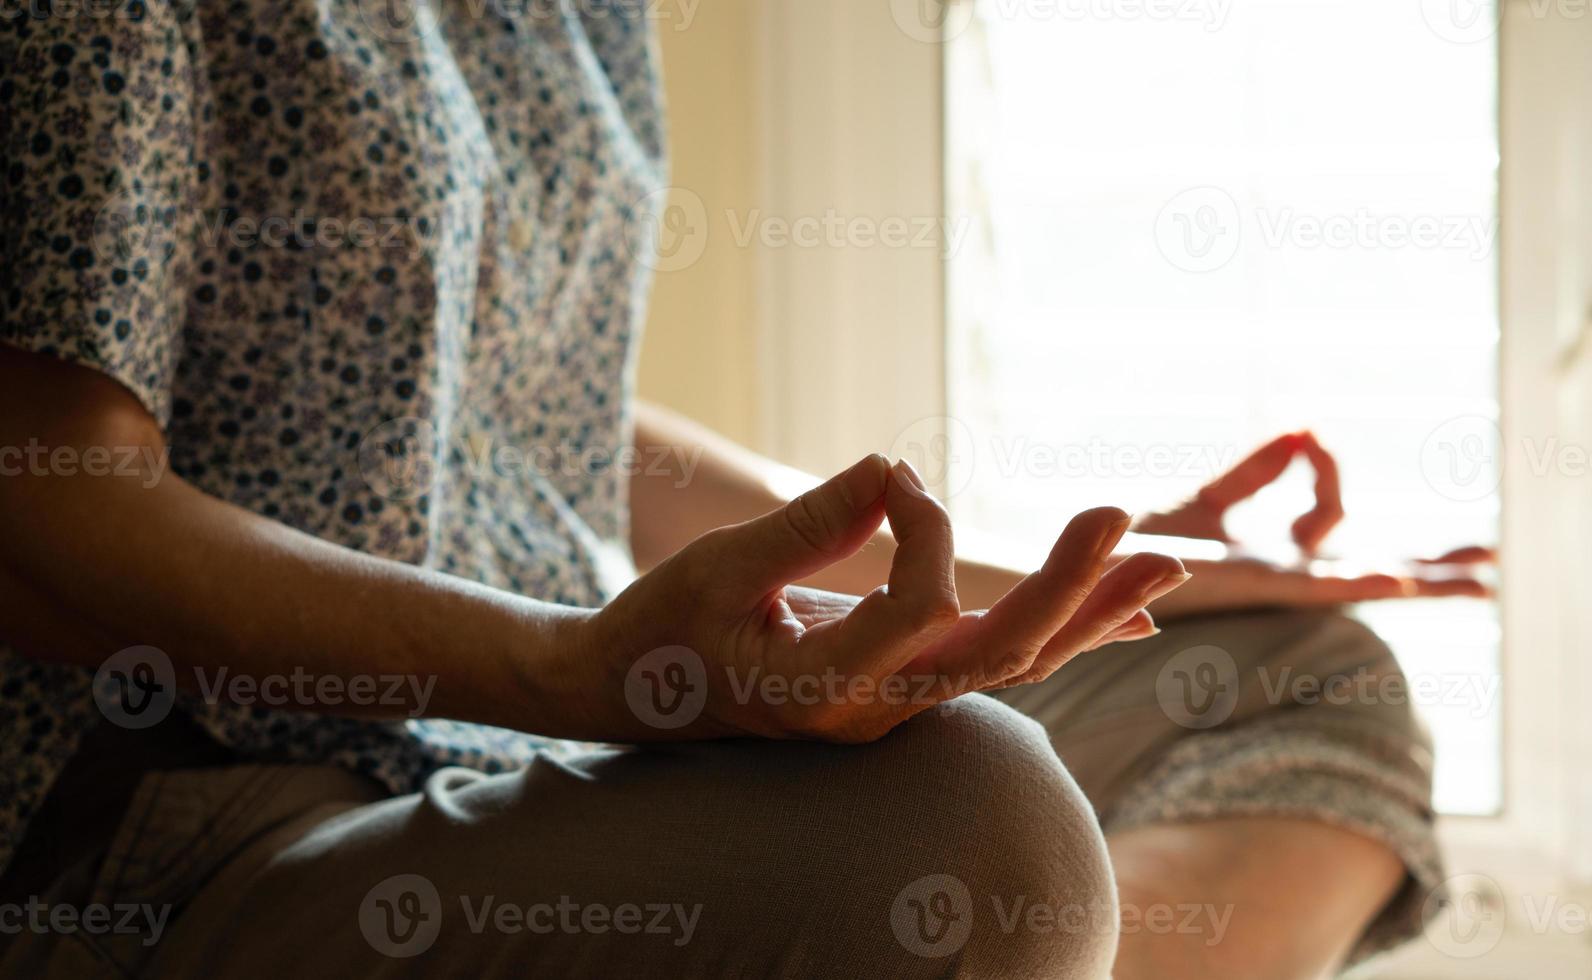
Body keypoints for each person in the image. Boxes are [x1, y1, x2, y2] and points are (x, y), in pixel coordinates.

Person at [0, 2, 1492, 977]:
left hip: (553, 710)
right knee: (979, 827)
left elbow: (552, 422)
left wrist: (1053, 577)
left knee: (1296, 675)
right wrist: (575, 672)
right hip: (202, 813)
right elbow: (42, 511)